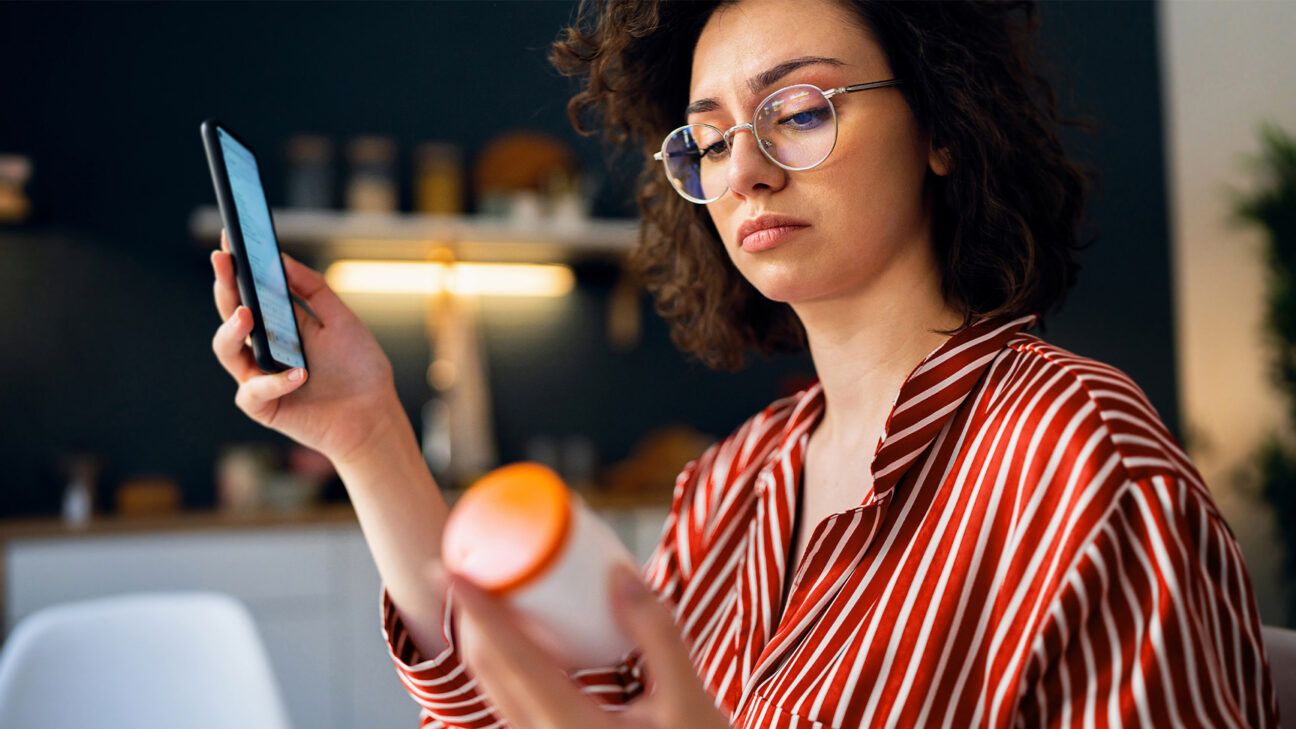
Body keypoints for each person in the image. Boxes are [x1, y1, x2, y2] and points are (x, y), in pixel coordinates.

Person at [208, 0, 1280, 726]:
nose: (747, 172)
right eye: (711, 140)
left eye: (800, 112)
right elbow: (537, 709)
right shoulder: (731, 486)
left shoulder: (1082, 458)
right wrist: (367, 433)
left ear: (944, 124)